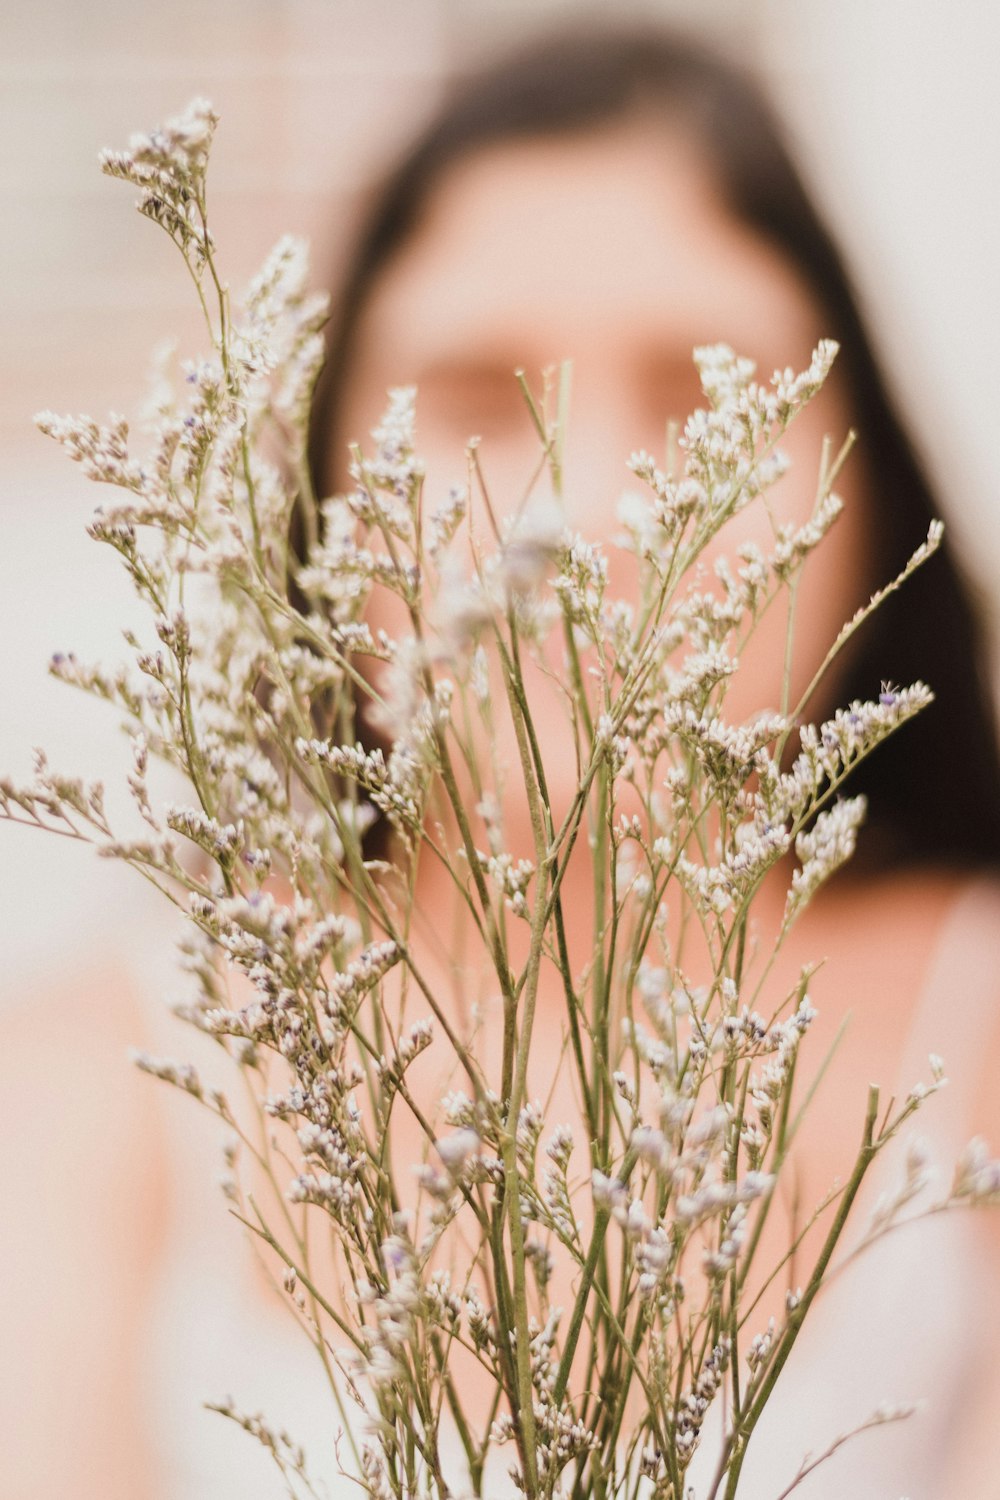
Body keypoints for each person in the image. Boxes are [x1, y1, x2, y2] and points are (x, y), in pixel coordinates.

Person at [297, 20, 1000, 1498]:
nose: (586, 506)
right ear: (319, 484)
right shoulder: (100, 1065)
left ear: (862, 473)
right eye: (483, 399)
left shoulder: (980, 1034)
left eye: (703, 395)